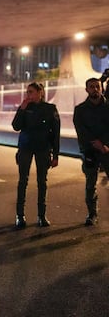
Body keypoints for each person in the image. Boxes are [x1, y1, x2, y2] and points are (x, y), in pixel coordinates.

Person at [11, 82, 60, 229]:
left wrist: (55, 155)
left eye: (31, 92)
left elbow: (55, 134)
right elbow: (16, 126)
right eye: (27, 92)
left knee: (42, 182)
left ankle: (41, 215)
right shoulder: (25, 108)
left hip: (43, 149)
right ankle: (20, 215)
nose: (29, 95)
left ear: (41, 93)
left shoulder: (50, 109)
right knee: (22, 182)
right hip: (25, 147)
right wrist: (22, 109)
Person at [73, 77, 109, 226]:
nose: (95, 89)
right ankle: (92, 214)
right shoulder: (80, 110)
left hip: (108, 150)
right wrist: (97, 144)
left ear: (101, 88)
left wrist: (106, 145)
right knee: (90, 184)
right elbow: (81, 131)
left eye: (97, 86)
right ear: (86, 89)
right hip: (90, 151)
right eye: (91, 87)